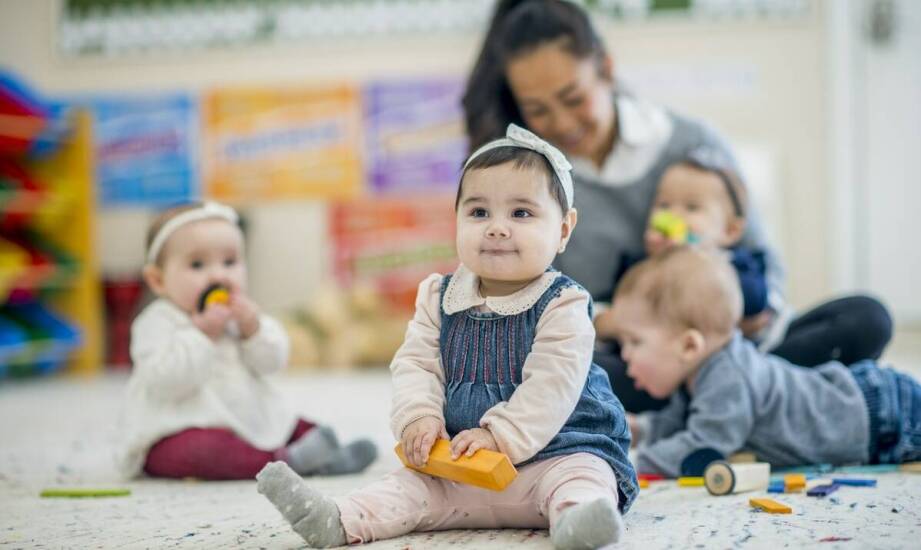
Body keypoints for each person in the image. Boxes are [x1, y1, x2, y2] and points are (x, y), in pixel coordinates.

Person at [462, 0, 892, 412]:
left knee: (866, 319)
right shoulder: (532, 184)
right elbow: (533, 301)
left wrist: (743, 306)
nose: (562, 123)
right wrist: (618, 322)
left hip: (733, 344)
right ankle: (748, 403)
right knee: (546, 368)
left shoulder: (693, 144)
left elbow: (764, 263)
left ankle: (723, 398)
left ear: (606, 70)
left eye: (574, 98)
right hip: (634, 361)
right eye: (538, 110)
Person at [256, 125, 637, 550]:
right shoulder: (439, 296)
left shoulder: (563, 303)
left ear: (564, 229)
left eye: (521, 213)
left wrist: (501, 436)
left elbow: (554, 383)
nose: (496, 228)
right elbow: (416, 364)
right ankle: (340, 520)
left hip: (554, 456)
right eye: (478, 213)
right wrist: (418, 416)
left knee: (585, 478)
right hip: (459, 465)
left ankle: (577, 522)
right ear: (455, 219)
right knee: (406, 487)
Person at [606, 246, 921, 477]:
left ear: (689, 345)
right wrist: (642, 430)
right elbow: (679, 422)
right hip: (866, 410)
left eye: (635, 342)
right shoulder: (696, 375)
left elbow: (704, 443)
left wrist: (634, 460)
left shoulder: (729, 375)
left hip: (880, 416)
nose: (625, 354)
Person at [120, 202, 377, 480]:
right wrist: (201, 335)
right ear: (157, 280)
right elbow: (165, 380)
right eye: (197, 264)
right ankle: (285, 461)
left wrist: (253, 330)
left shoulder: (239, 316)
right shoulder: (156, 323)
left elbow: (273, 363)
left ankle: (328, 456)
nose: (219, 275)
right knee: (203, 452)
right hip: (179, 427)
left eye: (230, 262)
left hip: (247, 419)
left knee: (293, 424)